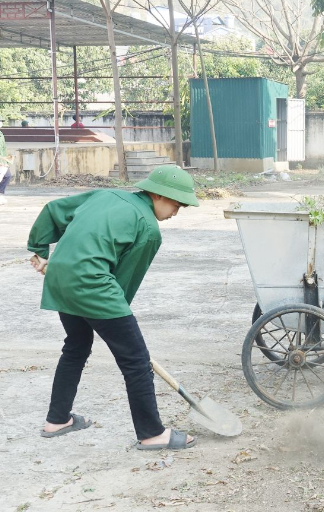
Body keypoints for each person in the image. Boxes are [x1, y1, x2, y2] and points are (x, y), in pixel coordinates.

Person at [27, 165, 201, 450]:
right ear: (157, 195)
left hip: (61, 279)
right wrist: (115, 318)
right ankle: (152, 433)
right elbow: (125, 283)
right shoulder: (149, 228)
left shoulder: (105, 195)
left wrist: (39, 249)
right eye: (175, 204)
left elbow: (53, 211)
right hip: (94, 286)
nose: (175, 212)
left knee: (76, 346)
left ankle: (57, 420)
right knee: (136, 362)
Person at [0, 114, 12, 206]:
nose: (1, 123)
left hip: (2, 160)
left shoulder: (0, 133)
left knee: (7, 176)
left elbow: (3, 148)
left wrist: (6, 161)